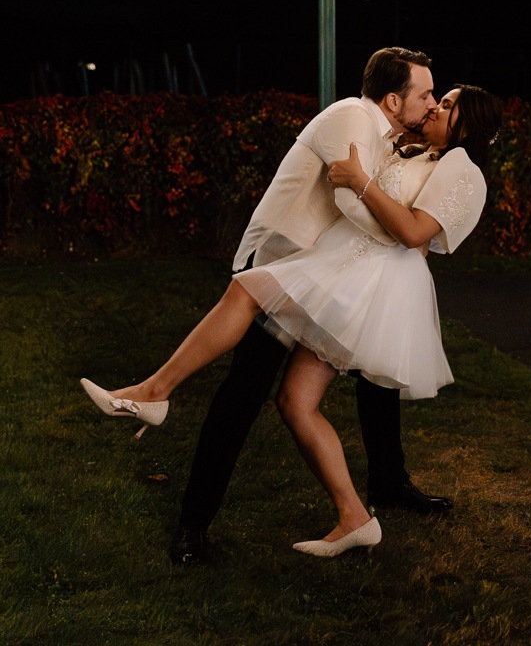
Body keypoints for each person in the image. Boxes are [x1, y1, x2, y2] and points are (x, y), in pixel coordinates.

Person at [81, 81, 502, 558]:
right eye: (433, 98)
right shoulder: (417, 153)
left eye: (446, 105)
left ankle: (154, 392)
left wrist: (360, 181)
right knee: (296, 401)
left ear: (470, 123)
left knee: (245, 290)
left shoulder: (463, 169)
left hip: (364, 281)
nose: (434, 108)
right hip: (347, 268)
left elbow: (414, 234)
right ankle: (355, 519)